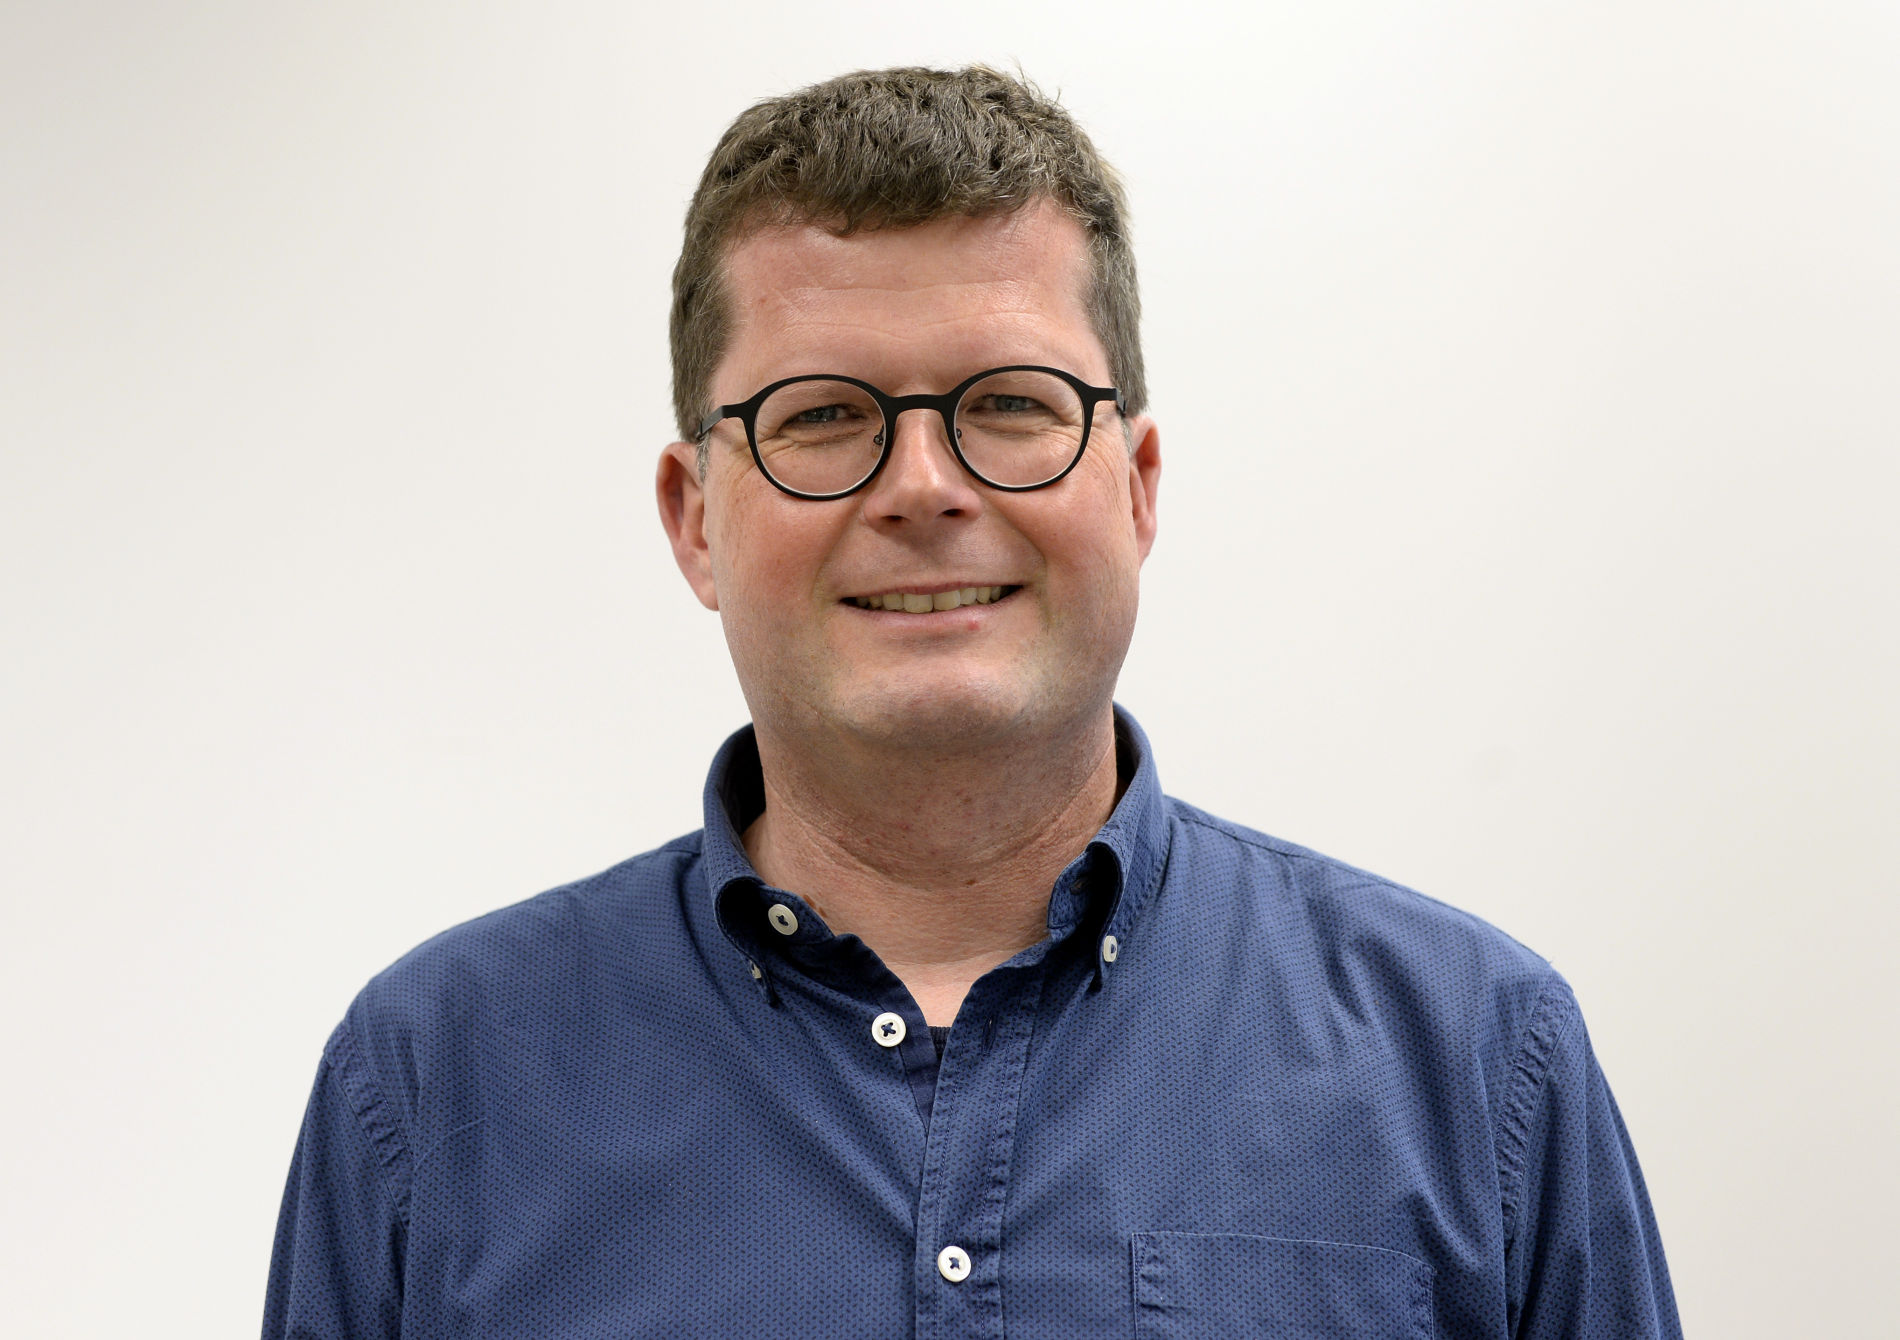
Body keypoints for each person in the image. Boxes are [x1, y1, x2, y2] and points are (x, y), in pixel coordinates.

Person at [264, 66, 1680, 1339]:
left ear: (1137, 486)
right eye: (824, 415)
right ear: (694, 519)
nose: (925, 488)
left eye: (1009, 403)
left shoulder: (1478, 1062)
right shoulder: (432, 1088)